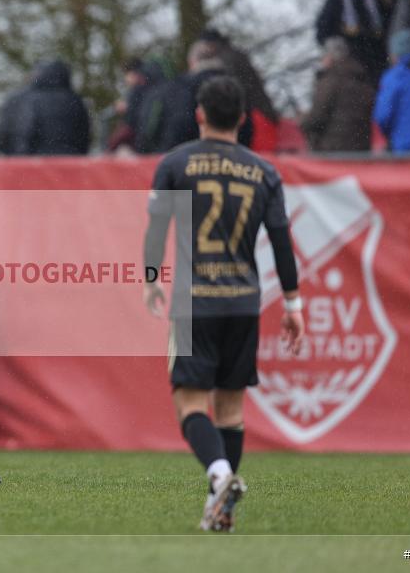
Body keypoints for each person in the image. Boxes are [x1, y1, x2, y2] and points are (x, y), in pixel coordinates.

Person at [142, 76, 304, 532]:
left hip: (194, 301)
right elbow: (281, 239)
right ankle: (220, 509)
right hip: (243, 301)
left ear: (199, 114)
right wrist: (293, 303)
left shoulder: (175, 163)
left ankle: (220, 476)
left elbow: (156, 228)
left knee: (190, 405)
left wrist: (151, 278)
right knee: (231, 410)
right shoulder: (264, 171)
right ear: (244, 120)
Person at [0, 60, 90, 155]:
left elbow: (3, 138)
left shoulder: (18, 99)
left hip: (26, 165)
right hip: (69, 165)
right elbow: (84, 139)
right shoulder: (76, 101)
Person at [302, 37, 376, 152]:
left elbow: (317, 117)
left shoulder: (329, 82)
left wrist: (303, 123)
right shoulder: (362, 79)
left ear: (330, 57)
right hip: (362, 150)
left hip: (333, 150)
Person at [315, 0, 390, 84]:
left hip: (377, 54)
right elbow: (322, 31)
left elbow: (388, 22)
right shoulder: (335, 1)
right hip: (348, 55)